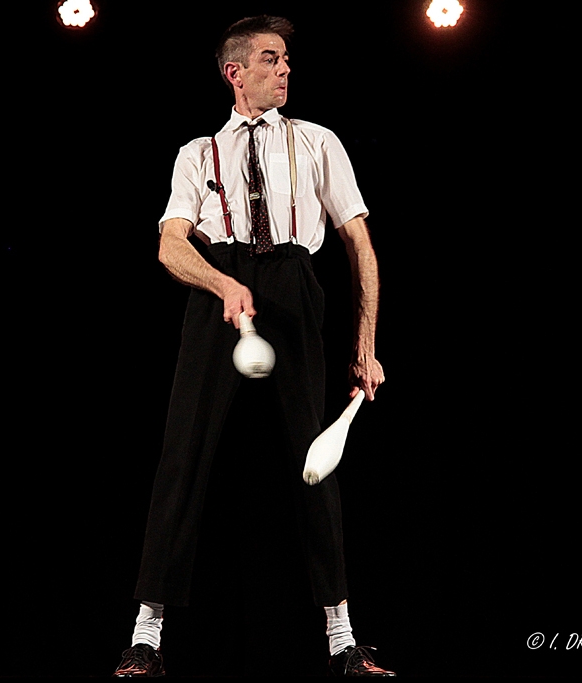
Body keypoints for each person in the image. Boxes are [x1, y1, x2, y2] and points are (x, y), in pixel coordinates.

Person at [113, 15, 392, 678]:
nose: (287, 68)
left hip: (296, 285)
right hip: (221, 294)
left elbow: (359, 245)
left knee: (313, 464)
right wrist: (221, 282)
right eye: (272, 58)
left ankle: (343, 639)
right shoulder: (197, 153)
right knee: (183, 454)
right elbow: (170, 243)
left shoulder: (320, 142)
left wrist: (366, 343)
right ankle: (145, 636)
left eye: (288, 59)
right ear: (235, 72)